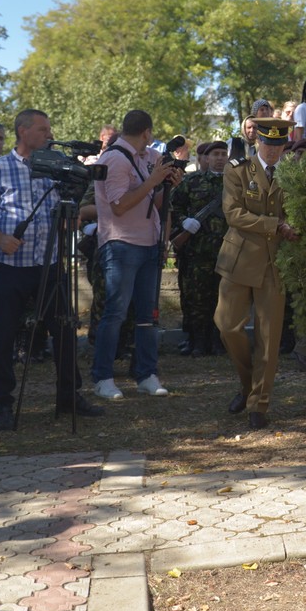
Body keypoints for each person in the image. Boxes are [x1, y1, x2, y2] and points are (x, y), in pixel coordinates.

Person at [0, 109, 103, 432]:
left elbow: (68, 209)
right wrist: (0, 239)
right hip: (10, 268)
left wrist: (75, 213)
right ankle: (2, 404)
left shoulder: (55, 166)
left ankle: (69, 396)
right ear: (23, 131)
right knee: (2, 335)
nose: (49, 134)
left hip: (51, 265)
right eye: (43, 129)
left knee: (66, 330)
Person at [90, 110, 181, 400]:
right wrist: (153, 181)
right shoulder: (115, 159)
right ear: (147, 132)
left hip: (149, 242)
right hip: (121, 244)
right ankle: (103, 377)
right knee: (115, 313)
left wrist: (168, 185)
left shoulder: (146, 158)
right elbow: (120, 205)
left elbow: (151, 202)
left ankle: (146, 374)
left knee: (148, 314)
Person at [213, 117, 297, 430]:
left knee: (269, 336)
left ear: (284, 145)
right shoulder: (237, 169)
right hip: (239, 259)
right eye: (268, 143)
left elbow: (297, 212)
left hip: (275, 265)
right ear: (257, 142)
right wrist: (275, 225)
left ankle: (259, 402)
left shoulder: (292, 175)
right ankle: (247, 384)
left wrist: (296, 227)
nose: (273, 150)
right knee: (227, 325)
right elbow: (233, 213)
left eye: (278, 145)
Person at [170, 140, 230, 357]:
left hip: (226, 252)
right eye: (216, 154)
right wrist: (184, 221)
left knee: (223, 300)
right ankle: (197, 341)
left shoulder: (235, 184)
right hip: (197, 253)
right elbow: (173, 206)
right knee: (197, 300)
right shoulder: (192, 182)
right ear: (207, 157)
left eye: (224, 154)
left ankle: (218, 342)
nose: (220, 158)